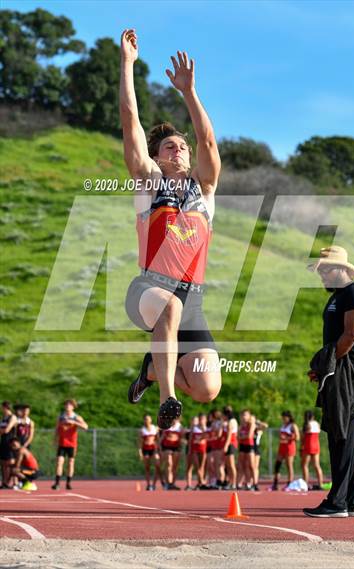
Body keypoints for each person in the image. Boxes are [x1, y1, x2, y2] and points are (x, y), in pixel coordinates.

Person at [120, 29, 222, 429]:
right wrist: (127, 64)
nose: (177, 149)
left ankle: (150, 370)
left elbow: (208, 141)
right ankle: (166, 400)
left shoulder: (205, 191)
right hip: (147, 291)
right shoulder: (149, 184)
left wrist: (188, 92)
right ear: (156, 157)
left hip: (192, 302)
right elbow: (130, 121)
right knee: (170, 306)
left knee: (208, 389)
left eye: (181, 146)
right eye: (168, 147)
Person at [304, 246, 354, 518]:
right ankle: (351, 500)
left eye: (325, 269)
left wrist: (326, 363)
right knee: (346, 431)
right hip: (340, 366)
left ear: (342, 269)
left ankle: (338, 501)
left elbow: (351, 335)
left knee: (341, 432)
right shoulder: (340, 296)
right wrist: (323, 366)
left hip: (350, 367)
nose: (321, 275)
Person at [52, 399, 88, 490]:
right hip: (62, 443)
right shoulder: (61, 417)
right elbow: (56, 429)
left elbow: (86, 427)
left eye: (70, 405)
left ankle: (68, 483)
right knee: (59, 462)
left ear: (73, 407)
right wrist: (54, 439)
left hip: (72, 443)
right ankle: (57, 483)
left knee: (71, 463)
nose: (67, 406)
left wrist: (75, 423)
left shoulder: (76, 417)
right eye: (66, 405)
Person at [271, 411, 300, 490]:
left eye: (284, 418)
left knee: (289, 465)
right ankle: (275, 483)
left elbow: (297, 437)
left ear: (289, 417)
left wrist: (287, 438)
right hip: (282, 447)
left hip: (289, 447)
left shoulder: (293, 425)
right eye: (282, 418)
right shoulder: (283, 425)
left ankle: (289, 483)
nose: (283, 419)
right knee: (277, 465)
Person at [300, 410, 323, 490]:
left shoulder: (306, 424)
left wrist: (301, 446)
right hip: (316, 444)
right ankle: (320, 483)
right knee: (317, 465)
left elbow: (302, 437)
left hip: (308, 444)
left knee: (304, 465)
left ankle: (305, 484)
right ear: (312, 416)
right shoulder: (317, 423)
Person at [138, 414, 161, 490]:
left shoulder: (155, 428)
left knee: (157, 466)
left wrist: (158, 449)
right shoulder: (142, 430)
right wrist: (140, 452)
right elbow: (140, 442)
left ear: (151, 420)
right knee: (147, 468)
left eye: (148, 419)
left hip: (154, 449)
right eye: (145, 419)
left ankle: (154, 484)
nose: (147, 420)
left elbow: (157, 439)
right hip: (146, 450)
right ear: (144, 420)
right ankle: (148, 485)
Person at [160, 417, 183, 490]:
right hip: (167, 447)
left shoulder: (180, 426)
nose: (174, 420)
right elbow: (162, 437)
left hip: (176, 447)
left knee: (175, 466)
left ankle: (173, 483)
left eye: (176, 419)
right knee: (169, 464)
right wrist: (159, 448)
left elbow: (182, 438)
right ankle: (168, 483)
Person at [237, 410, 257, 490]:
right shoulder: (241, 426)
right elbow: (238, 437)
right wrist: (241, 437)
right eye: (242, 415)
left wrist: (242, 437)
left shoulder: (251, 424)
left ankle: (255, 483)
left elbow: (249, 436)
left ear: (249, 416)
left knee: (251, 465)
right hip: (242, 446)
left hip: (249, 445)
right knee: (242, 465)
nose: (243, 417)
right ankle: (243, 482)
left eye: (245, 415)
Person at [0, 401, 17, 489]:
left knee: (11, 462)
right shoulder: (3, 418)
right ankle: (4, 482)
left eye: (2, 407)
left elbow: (7, 430)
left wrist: (1, 431)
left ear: (5, 407)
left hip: (9, 442)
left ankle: (13, 481)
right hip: (3, 441)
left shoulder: (12, 417)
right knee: (2, 463)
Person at [189, 412, 208, 489]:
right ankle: (202, 481)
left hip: (203, 449)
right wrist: (190, 449)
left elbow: (206, 437)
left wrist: (203, 428)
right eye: (200, 419)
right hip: (195, 449)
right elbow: (190, 438)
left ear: (205, 420)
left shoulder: (206, 428)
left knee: (202, 466)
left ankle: (200, 483)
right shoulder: (194, 427)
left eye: (203, 419)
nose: (201, 421)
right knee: (197, 467)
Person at [222, 406, 238, 490]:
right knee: (228, 465)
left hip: (231, 444)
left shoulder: (231, 421)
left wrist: (226, 445)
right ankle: (230, 481)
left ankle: (234, 483)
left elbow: (229, 435)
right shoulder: (228, 421)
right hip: (229, 444)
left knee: (231, 465)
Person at [253, 416, 268, 490]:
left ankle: (255, 483)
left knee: (255, 466)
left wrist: (258, 422)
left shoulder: (257, 428)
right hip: (247, 448)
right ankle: (248, 482)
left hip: (255, 448)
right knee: (247, 466)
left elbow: (265, 426)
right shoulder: (246, 427)